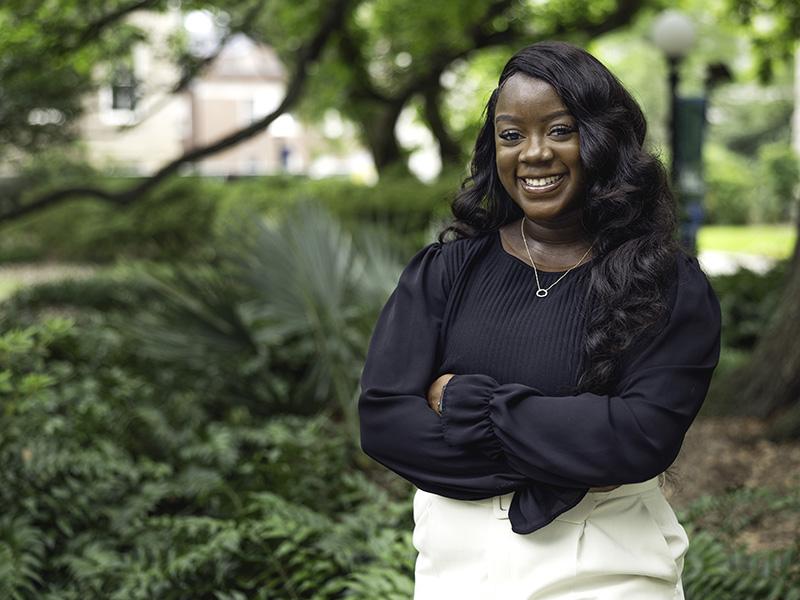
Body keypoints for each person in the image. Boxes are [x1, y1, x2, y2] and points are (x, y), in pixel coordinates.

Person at [358, 40, 721, 600]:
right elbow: (384, 422)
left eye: (559, 130)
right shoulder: (446, 271)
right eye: (511, 135)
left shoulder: (665, 283)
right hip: (454, 570)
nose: (533, 153)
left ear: (602, 140)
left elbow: (638, 439)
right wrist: (568, 452)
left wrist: (461, 402)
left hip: (606, 570)